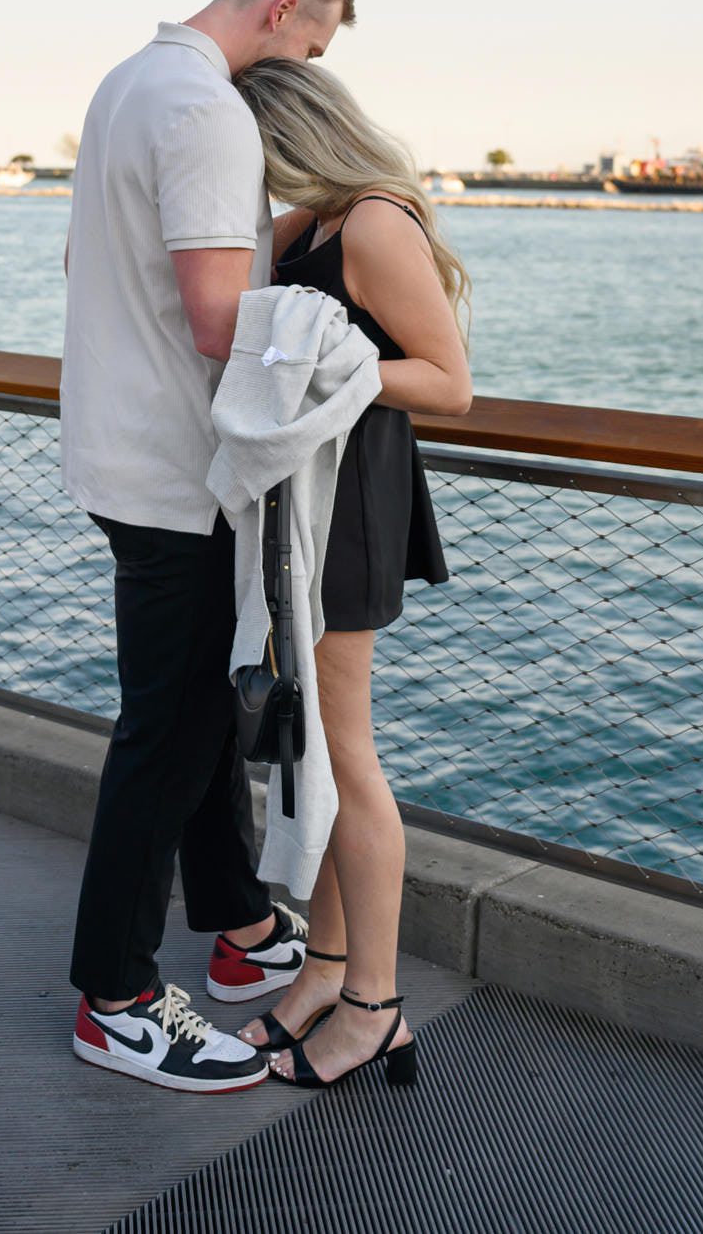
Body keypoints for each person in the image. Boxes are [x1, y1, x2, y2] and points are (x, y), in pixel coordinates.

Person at [60, 0, 355, 1093]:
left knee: (198, 711)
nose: (308, 79)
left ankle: (235, 922)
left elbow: (90, 256)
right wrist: (353, 353)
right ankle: (115, 995)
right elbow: (218, 321)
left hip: (119, 454)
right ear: (281, 6)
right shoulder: (206, 109)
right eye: (313, 46)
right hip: (176, 477)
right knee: (173, 729)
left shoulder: (128, 82)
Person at [229, 57, 473, 1090]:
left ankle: (374, 1002)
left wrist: (329, 367)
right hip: (303, 501)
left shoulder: (373, 224)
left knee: (344, 751)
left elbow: (449, 381)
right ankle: (324, 964)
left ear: (292, 139)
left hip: (353, 504)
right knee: (313, 755)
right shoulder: (305, 227)